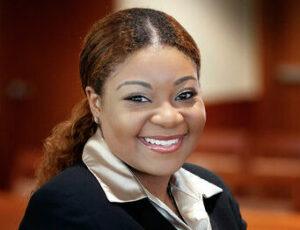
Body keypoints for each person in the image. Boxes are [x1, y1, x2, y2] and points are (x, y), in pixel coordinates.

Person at [19, 8, 246, 230]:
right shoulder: (63, 209)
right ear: (96, 103)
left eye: (185, 95)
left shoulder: (213, 192)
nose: (169, 117)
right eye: (138, 98)